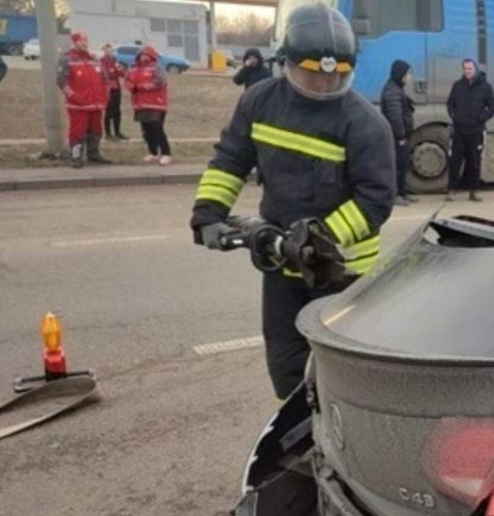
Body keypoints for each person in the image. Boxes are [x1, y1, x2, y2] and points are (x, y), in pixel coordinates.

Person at [190, 4, 395, 399]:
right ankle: (301, 433)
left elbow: (375, 200)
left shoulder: (366, 124)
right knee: (286, 367)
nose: (324, 84)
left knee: (342, 376)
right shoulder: (260, 103)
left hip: (343, 272)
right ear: (285, 63)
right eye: (313, 75)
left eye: (335, 76)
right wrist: (208, 214)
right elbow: (231, 161)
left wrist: (318, 238)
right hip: (282, 268)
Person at [445, 59, 494, 202]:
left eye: (470, 69)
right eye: (465, 69)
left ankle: (474, 191)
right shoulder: (457, 86)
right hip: (459, 131)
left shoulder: (485, 87)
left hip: (476, 131)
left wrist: (481, 118)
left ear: (476, 69)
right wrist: (454, 115)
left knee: (474, 162)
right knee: (455, 161)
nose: (467, 71)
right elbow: (450, 103)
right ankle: (451, 190)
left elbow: (493, 107)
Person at [57, 31, 110, 168]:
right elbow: (61, 81)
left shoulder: (94, 59)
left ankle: (94, 154)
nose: (84, 43)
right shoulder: (67, 59)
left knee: (96, 129)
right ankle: (76, 156)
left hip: (96, 104)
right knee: (77, 131)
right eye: (81, 40)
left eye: (86, 40)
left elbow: (105, 79)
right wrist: (74, 97)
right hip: (78, 105)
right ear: (75, 42)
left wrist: (105, 96)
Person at [128, 46, 172, 166]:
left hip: (156, 104)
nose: (144, 57)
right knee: (146, 130)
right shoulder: (133, 69)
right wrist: (131, 87)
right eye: (141, 55)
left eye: (146, 55)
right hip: (140, 104)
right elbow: (128, 81)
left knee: (157, 129)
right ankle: (153, 152)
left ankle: (166, 153)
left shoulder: (156, 68)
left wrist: (142, 87)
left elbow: (160, 82)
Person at [381, 59, 417, 205]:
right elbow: (395, 117)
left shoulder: (397, 88)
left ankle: (403, 192)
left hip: (401, 136)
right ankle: (395, 195)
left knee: (403, 165)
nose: (410, 77)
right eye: (408, 74)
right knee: (396, 166)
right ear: (400, 74)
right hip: (396, 137)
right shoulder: (392, 91)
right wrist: (401, 136)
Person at [100, 44, 128, 141]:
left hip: (116, 87)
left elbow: (121, 72)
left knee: (117, 111)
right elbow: (106, 74)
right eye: (107, 50)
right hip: (108, 89)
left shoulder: (115, 60)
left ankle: (117, 132)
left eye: (110, 50)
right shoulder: (101, 61)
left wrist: (115, 71)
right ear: (104, 51)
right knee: (109, 111)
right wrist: (113, 72)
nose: (109, 52)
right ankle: (108, 133)